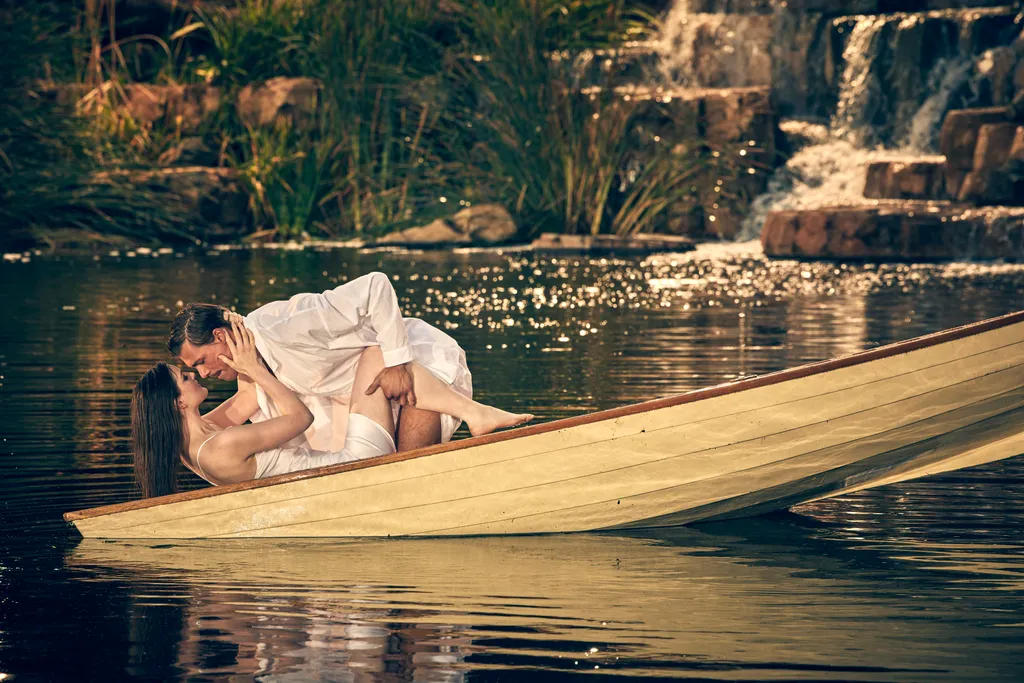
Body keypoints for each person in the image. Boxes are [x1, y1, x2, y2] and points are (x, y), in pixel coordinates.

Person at [131, 314, 533, 498]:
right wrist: (255, 369)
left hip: (328, 475)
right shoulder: (220, 445)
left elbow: (247, 400)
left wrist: (248, 366)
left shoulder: (193, 444)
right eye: (186, 377)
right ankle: (475, 413)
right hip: (354, 461)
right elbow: (300, 417)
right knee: (376, 351)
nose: (198, 374)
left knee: (383, 366)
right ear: (179, 402)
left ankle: (474, 414)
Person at [168, 272, 493, 454]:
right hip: (373, 397)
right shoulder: (250, 363)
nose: (204, 373)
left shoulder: (285, 326)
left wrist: (397, 362)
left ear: (220, 335)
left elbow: (375, 285)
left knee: (408, 469)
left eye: (201, 361)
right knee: (389, 471)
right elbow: (236, 409)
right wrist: (177, 436)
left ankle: (480, 420)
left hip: (414, 365)